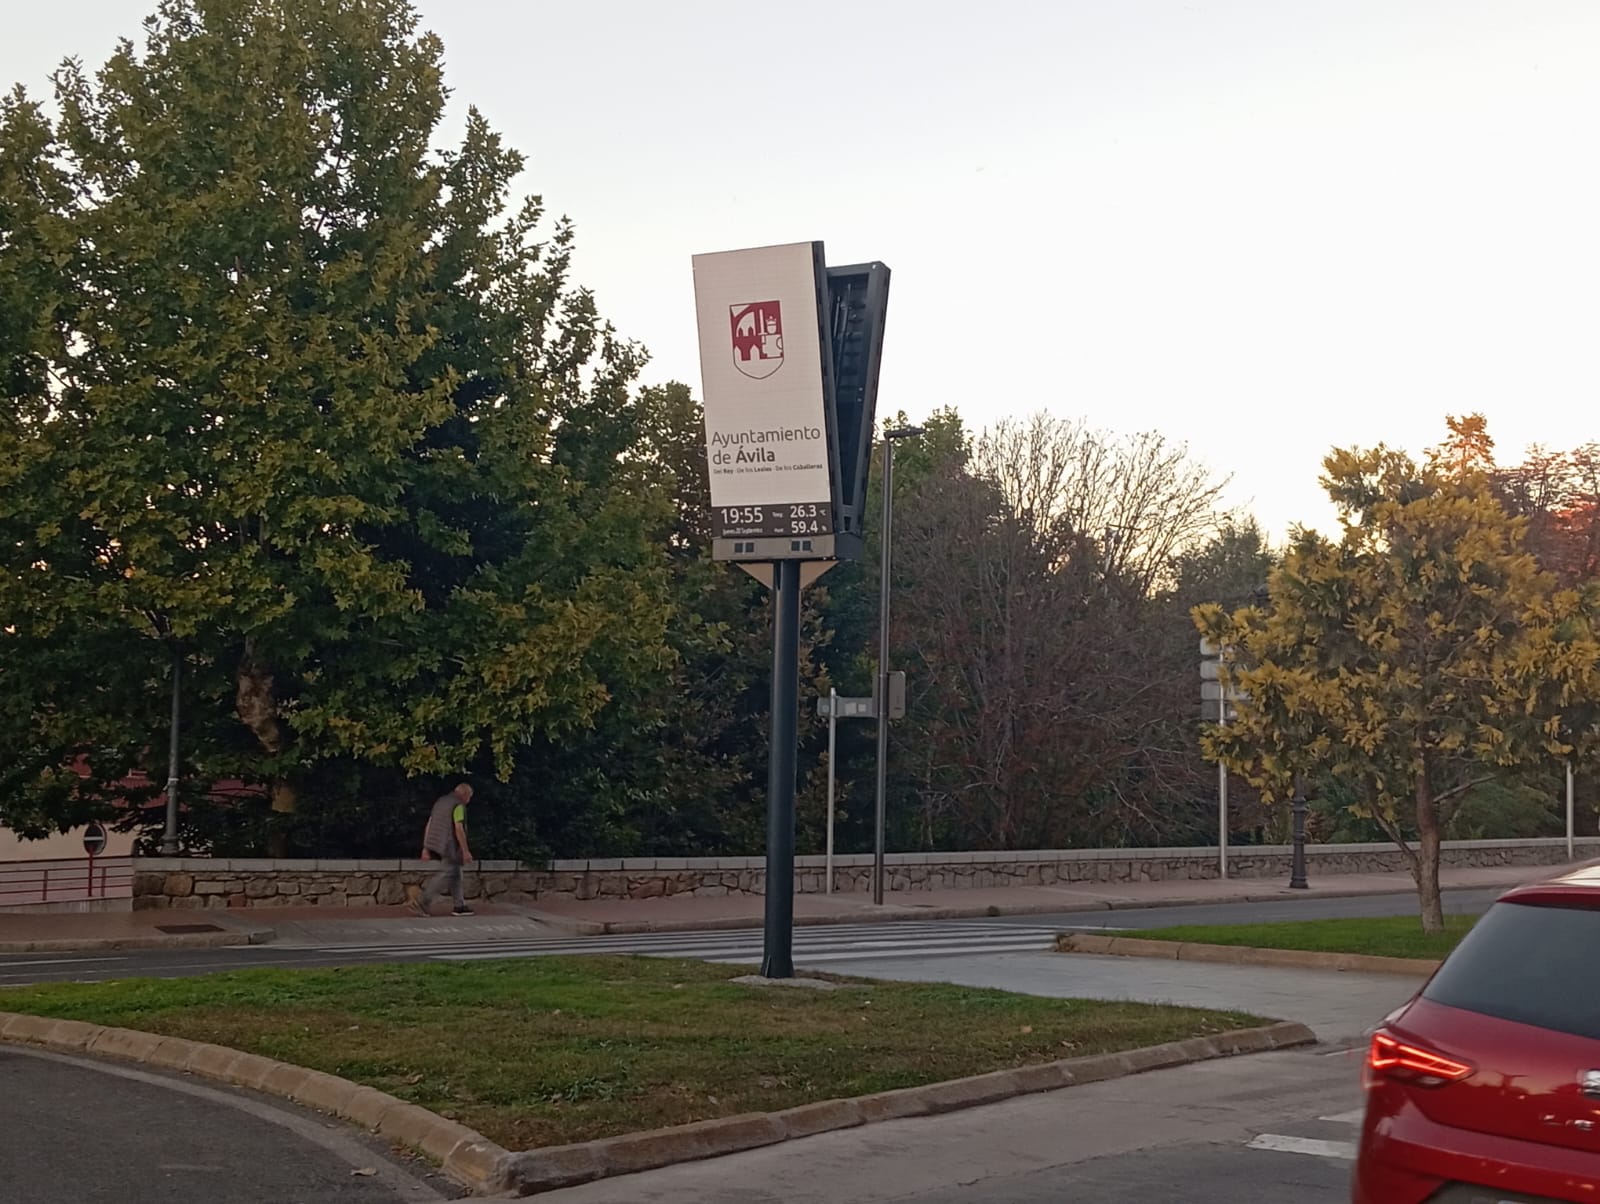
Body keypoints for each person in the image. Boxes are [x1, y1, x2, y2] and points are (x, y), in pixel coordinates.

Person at [413, 782, 475, 916]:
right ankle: (422, 902)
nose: (469, 801)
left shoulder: (441, 802)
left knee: (456, 872)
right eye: (469, 797)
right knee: (445, 873)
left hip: (437, 842)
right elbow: (458, 828)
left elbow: (429, 824)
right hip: (449, 844)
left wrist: (426, 847)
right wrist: (465, 851)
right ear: (465, 795)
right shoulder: (458, 805)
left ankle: (459, 905)